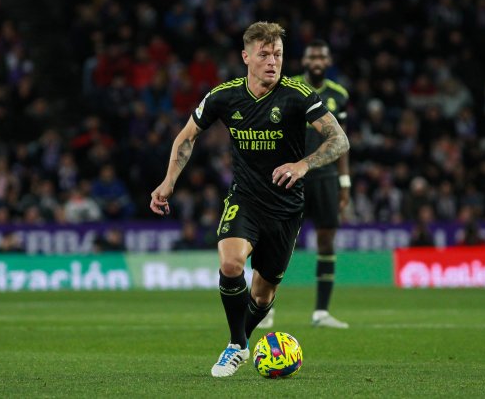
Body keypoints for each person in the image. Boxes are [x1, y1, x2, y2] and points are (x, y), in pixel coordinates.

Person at [150, 22, 349, 378]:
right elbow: (187, 136)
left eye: (278, 54)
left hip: (287, 206)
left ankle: (239, 342)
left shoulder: (298, 94)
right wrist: (168, 181)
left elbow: (339, 140)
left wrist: (303, 164)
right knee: (230, 264)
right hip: (245, 198)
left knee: (262, 294)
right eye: (264, 54)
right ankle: (237, 345)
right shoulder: (223, 96)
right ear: (246, 57)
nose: (273, 61)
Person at [258, 39, 351, 330]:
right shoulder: (290, 88)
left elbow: (342, 140)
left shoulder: (339, 95)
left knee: (326, 241)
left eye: (322, 56)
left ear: (329, 60)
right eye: (312, 56)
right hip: (291, 174)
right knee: (277, 240)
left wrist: (344, 182)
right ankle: (265, 309)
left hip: (325, 177)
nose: (317, 61)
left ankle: (321, 312)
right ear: (305, 61)